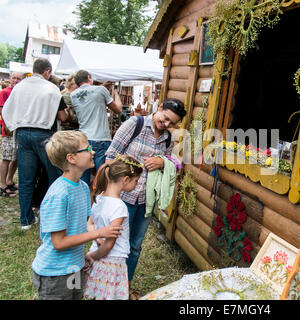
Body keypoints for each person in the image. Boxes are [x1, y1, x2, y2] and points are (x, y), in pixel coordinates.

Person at [105, 98, 186, 299]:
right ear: (159, 108)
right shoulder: (135, 124)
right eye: (165, 118)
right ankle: (106, 286)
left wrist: (161, 161)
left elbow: (171, 162)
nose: (166, 125)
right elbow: (110, 157)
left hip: (145, 201)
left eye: (172, 123)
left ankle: (125, 286)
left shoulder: (168, 138)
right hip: (122, 198)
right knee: (114, 244)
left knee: (134, 246)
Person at [31, 130, 123, 300]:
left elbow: (81, 227)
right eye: (87, 149)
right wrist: (99, 233)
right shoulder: (59, 195)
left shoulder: (81, 187)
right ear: (71, 158)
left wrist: (81, 258)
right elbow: (58, 243)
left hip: (75, 267)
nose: (93, 151)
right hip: (56, 275)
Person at [2, 58, 69, 230]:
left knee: (25, 179)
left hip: (23, 133)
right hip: (44, 134)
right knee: (54, 175)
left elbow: (7, 110)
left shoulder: (20, 86)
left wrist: (13, 125)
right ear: (47, 72)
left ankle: (26, 220)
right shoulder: (52, 88)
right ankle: (53, 217)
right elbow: (63, 117)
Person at [83, 154, 143, 300]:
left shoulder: (100, 197)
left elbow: (90, 224)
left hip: (98, 258)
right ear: (126, 179)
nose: (137, 185)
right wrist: (92, 256)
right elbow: (109, 245)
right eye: (136, 181)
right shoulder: (120, 208)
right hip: (111, 262)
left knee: (98, 295)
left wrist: (97, 240)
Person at [71, 70, 122, 185]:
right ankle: (101, 200)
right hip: (101, 139)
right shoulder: (100, 90)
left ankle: (83, 200)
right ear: (89, 78)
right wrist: (116, 94)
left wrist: (102, 87)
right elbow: (118, 110)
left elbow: (88, 95)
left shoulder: (73, 95)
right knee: (103, 176)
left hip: (83, 139)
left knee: (83, 176)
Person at [0, 72, 23, 197]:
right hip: (9, 130)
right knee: (7, 158)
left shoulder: (21, 93)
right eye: (14, 78)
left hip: (19, 130)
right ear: (10, 79)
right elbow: (3, 111)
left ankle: (9, 181)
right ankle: (3, 185)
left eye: (18, 78)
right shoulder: (4, 92)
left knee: (16, 158)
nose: (16, 80)